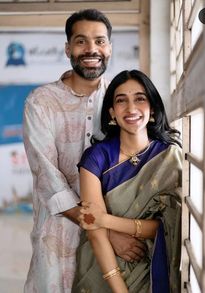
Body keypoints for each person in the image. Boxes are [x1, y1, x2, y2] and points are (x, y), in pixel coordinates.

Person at [23, 10, 146, 293]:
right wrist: (106, 232)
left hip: (118, 239)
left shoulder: (120, 100)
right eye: (81, 41)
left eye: (100, 41)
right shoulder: (41, 103)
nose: (91, 49)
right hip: (58, 240)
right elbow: (48, 180)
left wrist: (115, 230)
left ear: (110, 48)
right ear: (68, 48)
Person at [72, 70, 182, 293]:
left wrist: (106, 220)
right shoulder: (96, 157)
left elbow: (170, 227)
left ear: (152, 108)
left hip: (154, 267)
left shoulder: (169, 158)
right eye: (121, 101)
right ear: (112, 113)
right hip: (102, 271)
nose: (131, 108)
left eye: (140, 99)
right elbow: (94, 229)